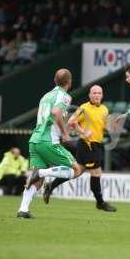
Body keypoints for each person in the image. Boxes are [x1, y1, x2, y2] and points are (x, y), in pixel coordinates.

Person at [17, 69, 85, 219]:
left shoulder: (46, 96)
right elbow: (56, 112)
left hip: (35, 140)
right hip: (48, 141)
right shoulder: (64, 96)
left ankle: (23, 209)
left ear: (55, 80)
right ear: (69, 82)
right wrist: (65, 134)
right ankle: (41, 173)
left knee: (38, 181)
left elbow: (48, 115)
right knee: (77, 169)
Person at [43, 85, 117, 212]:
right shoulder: (84, 108)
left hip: (97, 145)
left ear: (102, 95)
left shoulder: (104, 109)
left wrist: (111, 126)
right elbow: (71, 122)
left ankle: (51, 185)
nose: (97, 95)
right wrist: (83, 131)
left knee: (77, 171)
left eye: (99, 93)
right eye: (94, 93)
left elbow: (105, 126)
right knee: (96, 172)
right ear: (89, 95)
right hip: (87, 145)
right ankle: (100, 202)